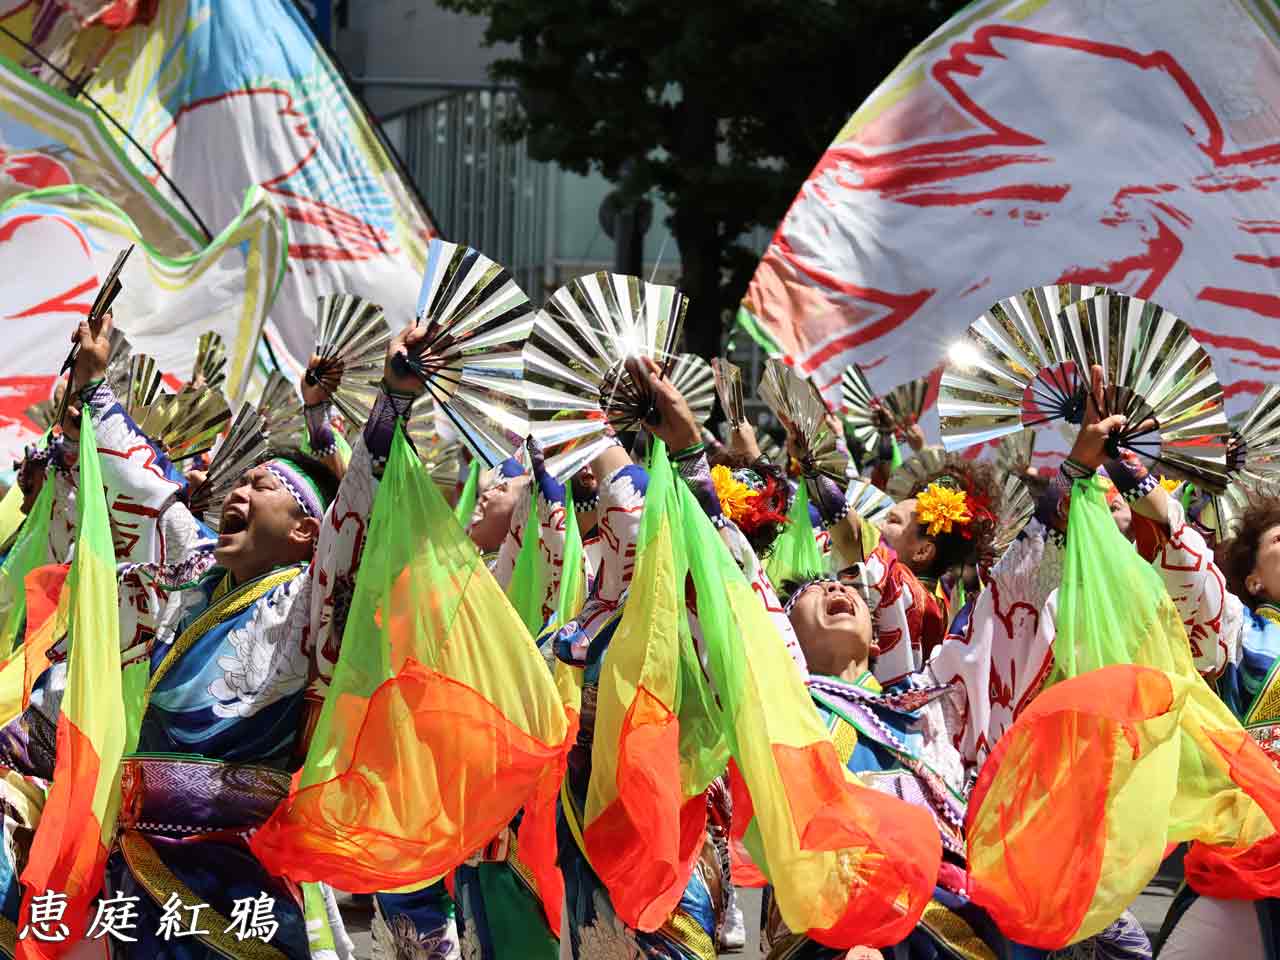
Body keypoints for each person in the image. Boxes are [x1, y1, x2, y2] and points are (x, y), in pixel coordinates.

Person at [0, 311, 432, 958]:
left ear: (305, 533)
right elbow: (145, 484)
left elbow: (359, 512)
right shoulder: (196, 567)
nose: (240, 490)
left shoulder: (306, 606)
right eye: (243, 482)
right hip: (141, 862)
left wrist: (391, 401)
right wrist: (93, 384)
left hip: (234, 872)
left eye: (261, 487)